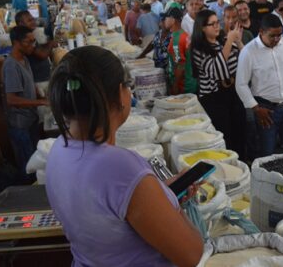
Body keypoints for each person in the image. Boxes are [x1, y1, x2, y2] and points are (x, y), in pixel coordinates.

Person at [45, 46, 203, 266]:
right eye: (129, 86)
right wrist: (172, 208)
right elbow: (191, 254)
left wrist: (161, 192)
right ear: (120, 94)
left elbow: (110, 208)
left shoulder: (58, 151)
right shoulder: (121, 167)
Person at [236, 15, 283, 159]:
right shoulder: (249, 51)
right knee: (266, 153)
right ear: (261, 32)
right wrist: (256, 108)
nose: (277, 39)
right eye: (272, 36)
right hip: (266, 110)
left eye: (279, 35)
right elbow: (241, 84)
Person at [191, 10, 247, 160]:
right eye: (212, 24)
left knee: (239, 131)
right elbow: (217, 71)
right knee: (224, 135)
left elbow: (246, 60)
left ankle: (240, 163)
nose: (217, 26)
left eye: (218, 22)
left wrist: (239, 42)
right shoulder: (198, 49)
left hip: (233, 94)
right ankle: (226, 165)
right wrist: (229, 41)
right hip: (213, 97)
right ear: (202, 27)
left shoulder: (222, 41)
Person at [4, 25, 48, 182]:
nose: (33, 46)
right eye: (28, 42)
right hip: (20, 125)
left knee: (34, 164)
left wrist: (40, 93)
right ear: (16, 42)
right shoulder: (11, 65)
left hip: (31, 121)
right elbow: (12, 100)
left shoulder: (24, 60)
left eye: (33, 41)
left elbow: (29, 83)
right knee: (28, 168)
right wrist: (40, 102)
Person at [15, 11, 54, 87]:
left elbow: (39, 48)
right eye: (29, 21)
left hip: (42, 78)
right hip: (39, 81)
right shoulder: (26, 39)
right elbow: (42, 55)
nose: (33, 22)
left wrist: (47, 43)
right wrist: (51, 44)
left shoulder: (32, 35)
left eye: (33, 19)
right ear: (20, 24)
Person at [165, 7, 196, 95]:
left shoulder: (177, 39)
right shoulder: (183, 34)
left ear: (173, 20)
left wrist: (175, 85)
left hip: (184, 86)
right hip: (189, 83)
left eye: (166, 18)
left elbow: (180, 66)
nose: (164, 20)